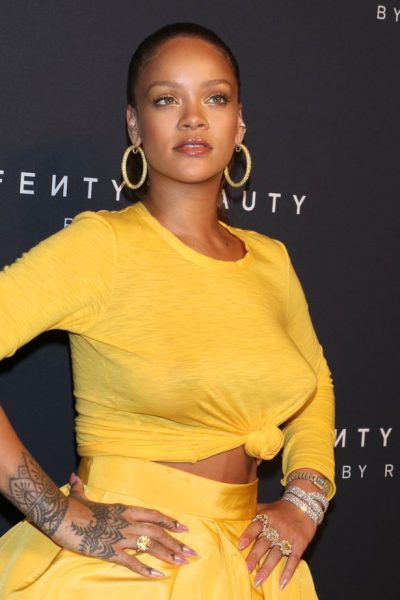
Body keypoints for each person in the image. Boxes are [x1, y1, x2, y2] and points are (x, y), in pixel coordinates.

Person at [0, 22, 335, 599]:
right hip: (133, 566)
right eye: (166, 99)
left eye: (215, 98)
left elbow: (314, 388)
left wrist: (305, 500)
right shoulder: (102, 246)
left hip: (251, 564)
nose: (193, 118)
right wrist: (57, 514)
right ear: (135, 125)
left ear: (239, 122)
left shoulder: (271, 261)